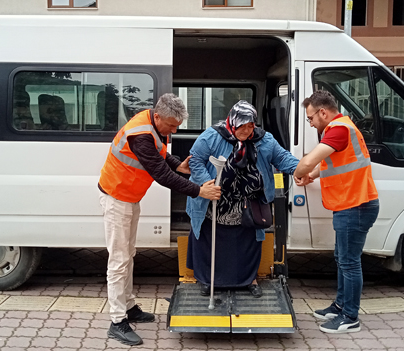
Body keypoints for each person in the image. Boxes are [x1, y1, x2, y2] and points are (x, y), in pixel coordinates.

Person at [98, 93, 221, 346]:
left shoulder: (153, 126)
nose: (174, 131)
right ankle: (117, 321)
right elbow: (161, 175)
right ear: (157, 116)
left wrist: (179, 164)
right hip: (117, 198)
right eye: (172, 126)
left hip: (129, 198)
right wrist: (199, 190)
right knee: (119, 260)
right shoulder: (141, 133)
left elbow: (161, 156)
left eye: (177, 126)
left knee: (128, 254)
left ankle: (129, 307)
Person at [186, 100, 299, 298]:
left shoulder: (265, 140)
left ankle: (249, 279)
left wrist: (300, 169)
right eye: (242, 126)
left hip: (248, 204)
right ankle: (207, 280)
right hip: (214, 201)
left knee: (248, 243)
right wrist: (207, 184)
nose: (246, 131)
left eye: (250, 126)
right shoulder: (212, 136)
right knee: (210, 242)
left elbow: (282, 158)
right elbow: (195, 160)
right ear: (233, 121)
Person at [293, 90, 379, 334]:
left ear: (323, 112)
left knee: (349, 263)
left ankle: (350, 317)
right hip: (350, 203)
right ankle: (340, 305)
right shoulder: (342, 128)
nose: (310, 123)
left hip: (356, 204)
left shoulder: (338, 129)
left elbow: (310, 160)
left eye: (310, 118)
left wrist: (299, 172)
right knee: (342, 259)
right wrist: (312, 176)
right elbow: (331, 162)